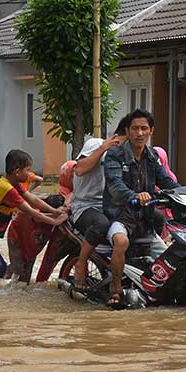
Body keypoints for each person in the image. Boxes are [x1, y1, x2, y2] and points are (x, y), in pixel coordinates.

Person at [103, 109, 186, 307]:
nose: (139, 133)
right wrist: (134, 196)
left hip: (145, 220)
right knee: (120, 242)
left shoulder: (152, 156)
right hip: (119, 216)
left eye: (144, 129)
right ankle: (117, 289)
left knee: (171, 259)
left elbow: (167, 182)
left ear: (151, 131)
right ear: (127, 131)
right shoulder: (115, 155)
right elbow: (115, 185)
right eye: (135, 129)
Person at [0, 149, 68, 295]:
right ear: (17, 171)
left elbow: (34, 200)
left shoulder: (14, 184)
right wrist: (54, 221)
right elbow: (30, 211)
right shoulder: (6, 188)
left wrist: (55, 212)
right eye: (27, 170)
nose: (30, 174)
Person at [69, 116, 130, 293]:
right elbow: (79, 169)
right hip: (85, 206)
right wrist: (104, 148)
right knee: (101, 224)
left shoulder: (129, 155)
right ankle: (81, 265)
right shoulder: (96, 144)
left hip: (111, 208)